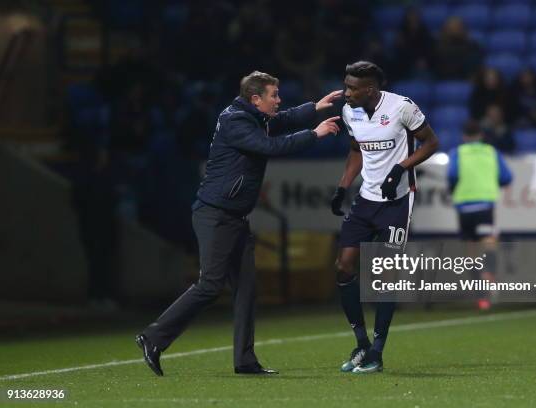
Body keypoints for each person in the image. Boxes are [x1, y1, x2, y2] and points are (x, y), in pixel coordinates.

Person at [136, 71, 342, 376]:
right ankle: (153, 337)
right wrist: (315, 133)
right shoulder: (236, 122)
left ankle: (245, 361)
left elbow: (281, 119)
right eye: (274, 95)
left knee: (246, 289)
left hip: (234, 217)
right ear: (256, 99)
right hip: (215, 215)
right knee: (210, 285)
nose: (279, 100)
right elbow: (273, 146)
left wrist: (314, 107)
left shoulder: (251, 115)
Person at [330, 61, 439, 373]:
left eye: (352, 88)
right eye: (345, 85)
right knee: (343, 267)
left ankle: (377, 351)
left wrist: (400, 168)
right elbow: (356, 149)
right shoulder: (349, 111)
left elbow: (431, 143)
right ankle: (362, 344)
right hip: (366, 200)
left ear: (370, 90)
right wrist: (342, 187)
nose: (346, 93)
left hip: (398, 201)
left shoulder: (402, 108)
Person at [447, 121, 513, 309]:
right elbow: (507, 177)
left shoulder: (457, 153)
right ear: (481, 135)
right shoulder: (491, 152)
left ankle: (481, 297)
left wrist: (454, 188)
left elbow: (452, 175)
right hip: (485, 205)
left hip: (464, 207)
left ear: (464, 136)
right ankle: (489, 273)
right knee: (489, 241)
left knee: (471, 250)